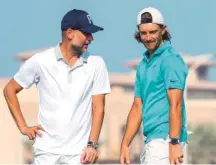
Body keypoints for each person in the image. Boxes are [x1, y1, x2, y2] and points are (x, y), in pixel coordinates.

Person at [3, 9, 111, 164]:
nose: (91, 38)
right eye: (86, 33)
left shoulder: (96, 63)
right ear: (70, 33)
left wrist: (92, 145)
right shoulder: (40, 61)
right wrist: (23, 127)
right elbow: (9, 90)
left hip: (79, 155)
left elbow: (98, 108)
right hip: (46, 153)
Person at [120, 7, 188, 164]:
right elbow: (138, 107)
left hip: (166, 141)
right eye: (144, 33)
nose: (148, 37)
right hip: (152, 141)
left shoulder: (171, 60)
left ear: (163, 30)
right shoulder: (144, 64)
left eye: (153, 32)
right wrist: (125, 144)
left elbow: (176, 104)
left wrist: (174, 142)